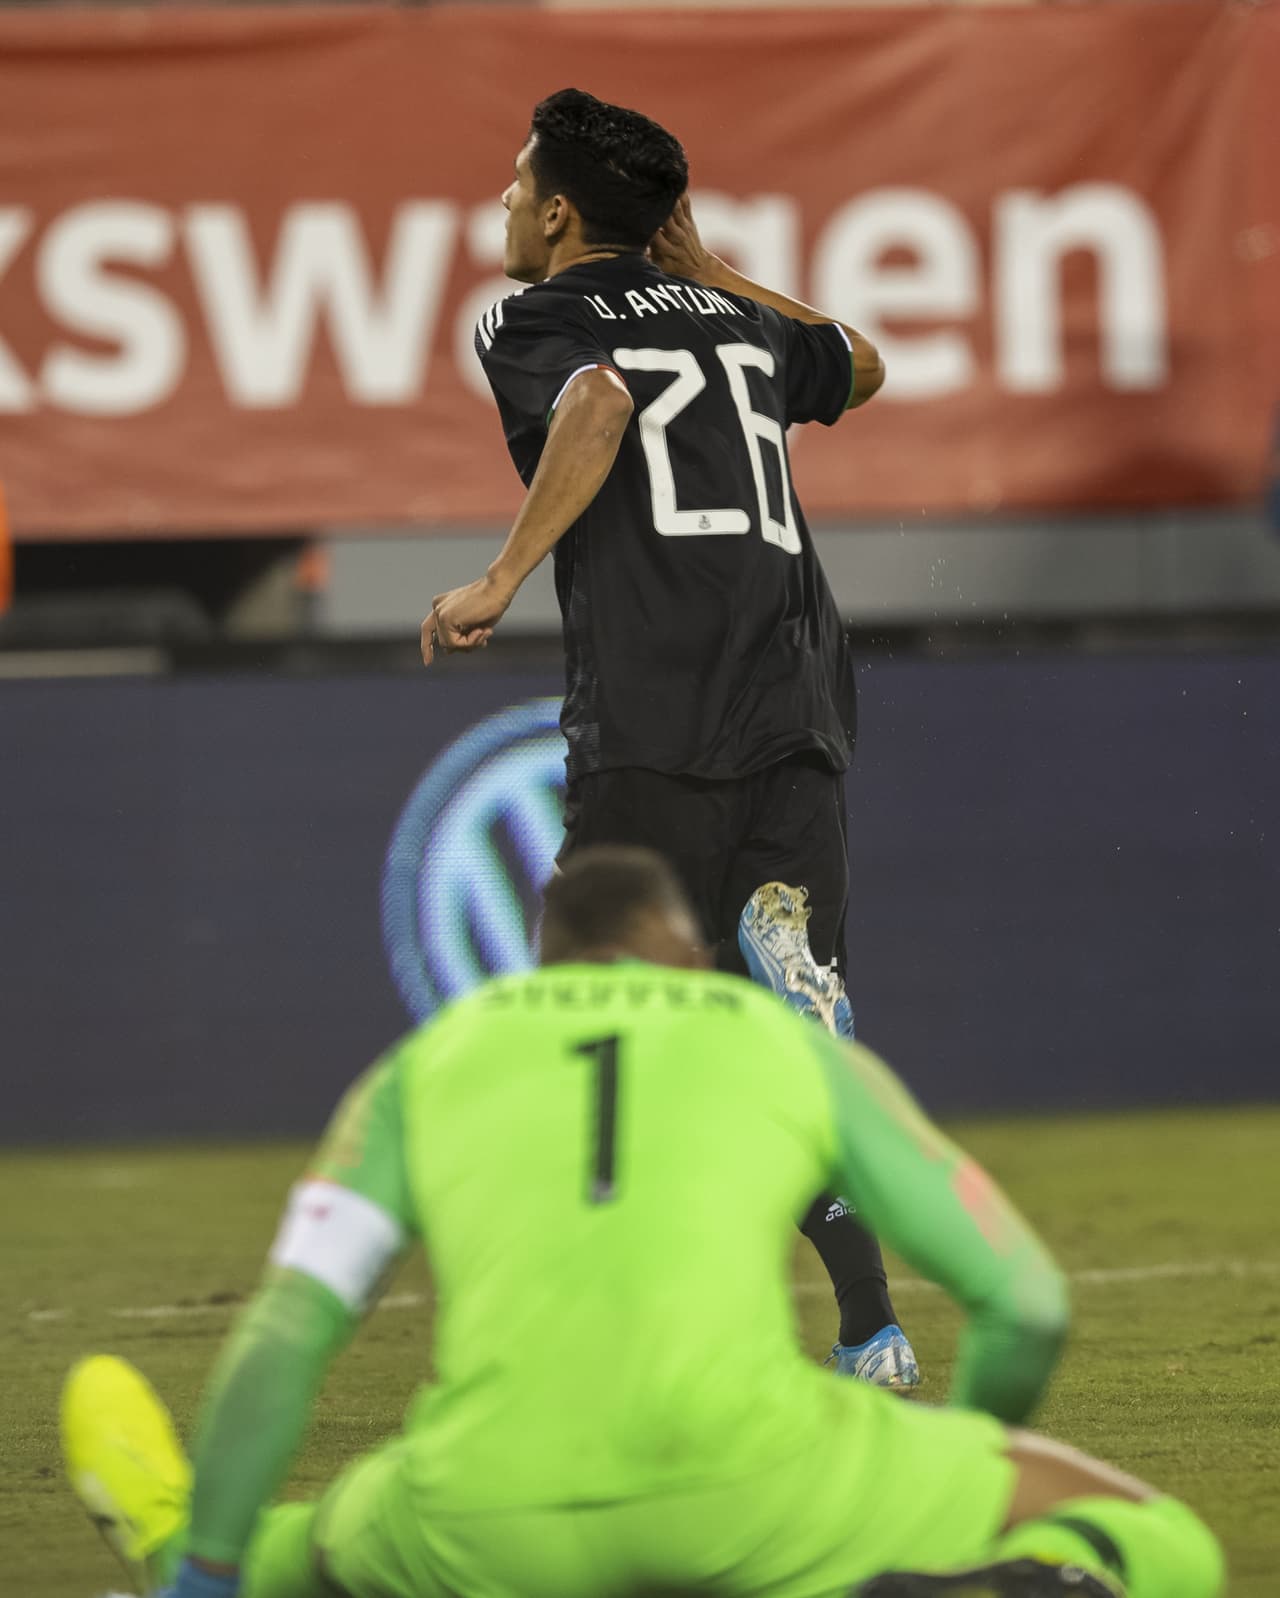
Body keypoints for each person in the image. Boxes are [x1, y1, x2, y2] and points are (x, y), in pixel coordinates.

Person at [64, 847, 1225, 1598]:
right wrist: (968, 1465)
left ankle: (177, 1550)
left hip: (485, 1513)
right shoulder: (772, 1038)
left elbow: (285, 1331)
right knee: (1160, 1542)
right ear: (692, 954)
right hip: (763, 1491)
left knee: (287, 1553)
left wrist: (212, 1574)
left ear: (540, 963)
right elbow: (1025, 1302)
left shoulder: (426, 1065)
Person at [421, 86, 910, 1384]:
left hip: (655, 707)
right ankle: (871, 1326)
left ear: (564, 211)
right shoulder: (737, 322)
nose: (508, 206)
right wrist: (712, 272)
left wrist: (500, 577)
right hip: (799, 694)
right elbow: (861, 362)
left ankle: (579, 1343)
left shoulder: (535, 312)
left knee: (584, 1032)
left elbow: (592, 409)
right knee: (774, 1053)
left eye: (520, 186)